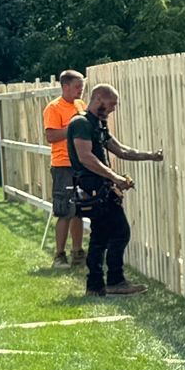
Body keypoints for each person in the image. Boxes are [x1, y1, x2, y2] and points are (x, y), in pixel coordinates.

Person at [66, 83, 163, 298]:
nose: (113, 109)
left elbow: (121, 150)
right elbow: (86, 158)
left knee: (100, 236)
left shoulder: (99, 125)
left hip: (102, 187)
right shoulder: (81, 123)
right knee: (120, 232)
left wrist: (151, 155)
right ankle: (115, 281)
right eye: (111, 104)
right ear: (99, 99)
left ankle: (95, 286)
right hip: (93, 187)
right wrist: (115, 177)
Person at [42, 69, 87, 268]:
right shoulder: (54, 108)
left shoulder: (81, 105)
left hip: (80, 164)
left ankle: (77, 251)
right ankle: (59, 255)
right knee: (64, 211)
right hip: (63, 166)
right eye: (77, 87)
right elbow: (51, 136)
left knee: (78, 210)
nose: (80, 91)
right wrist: (74, 127)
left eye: (82, 87)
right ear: (65, 86)